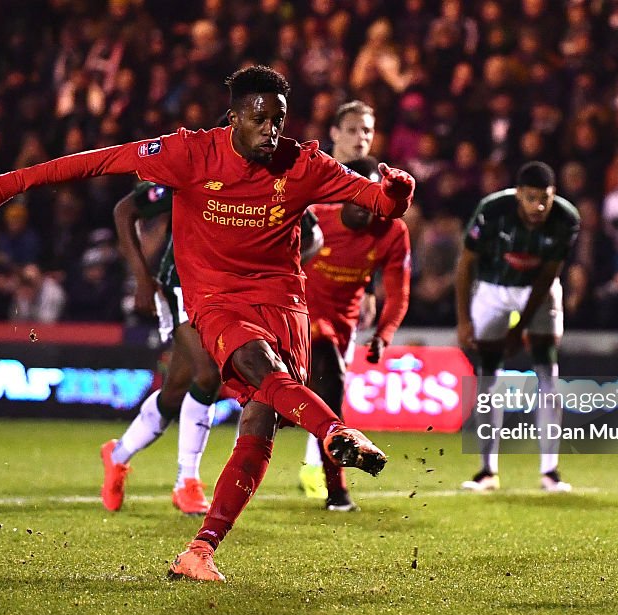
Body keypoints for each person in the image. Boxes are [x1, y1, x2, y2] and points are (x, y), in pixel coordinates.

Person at [0, 65, 415, 582]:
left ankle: (201, 550)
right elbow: (96, 162)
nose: (270, 131)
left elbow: (378, 203)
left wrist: (398, 192)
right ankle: (334, 432)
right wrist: (4, 185)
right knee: (250, 369)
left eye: (278, 120)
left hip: (285, 305)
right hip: (217, 300)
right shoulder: (189, 153)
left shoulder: (303, 163)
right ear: (234, 116)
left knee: (259, 425)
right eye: (259, 119)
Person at [101, 178, 323, 516]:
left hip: (233, 293)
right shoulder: (193, 171)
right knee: (209, 375)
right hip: (184, 286)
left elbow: (313, 235)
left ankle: (117, 455)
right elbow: (125, 209)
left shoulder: (274, 179)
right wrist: (143, 277)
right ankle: (186, 482)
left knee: (175, 390)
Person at [455, 161, 580, 493]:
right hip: (493, 290)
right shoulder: (492, 210)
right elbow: (466, 262)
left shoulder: (567, 219)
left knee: (548, 375)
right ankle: (487, 471)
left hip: (537, 291)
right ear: (518, 195)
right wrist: (464, 318)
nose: (538, 206)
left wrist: (520, 327)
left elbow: (549, 274)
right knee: (488, 377)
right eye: (530, 198)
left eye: (545, 198)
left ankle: (550, 472)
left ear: (554, 196)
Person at [300, 156, 411, 512]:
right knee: (329, 389)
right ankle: (338, 491)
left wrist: (383, 334)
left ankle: (333, 488)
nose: (368, 205)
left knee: (321, 406)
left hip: (345, 328)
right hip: (298, 318)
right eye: (360, 195)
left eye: (374, 196)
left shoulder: (392, 231)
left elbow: (398, 292)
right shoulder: (313, 218)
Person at [298, 99, 379, 501]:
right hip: (302, 298)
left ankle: (315, 465)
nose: (361, 138)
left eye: (367, 130)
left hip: (345, 300)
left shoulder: (373, 179)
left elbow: (377, 239)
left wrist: (370, 289)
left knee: (328, 385)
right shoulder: (315, 175)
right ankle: (322, 474)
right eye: (352, 129)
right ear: (334, 133)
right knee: (314, 384)